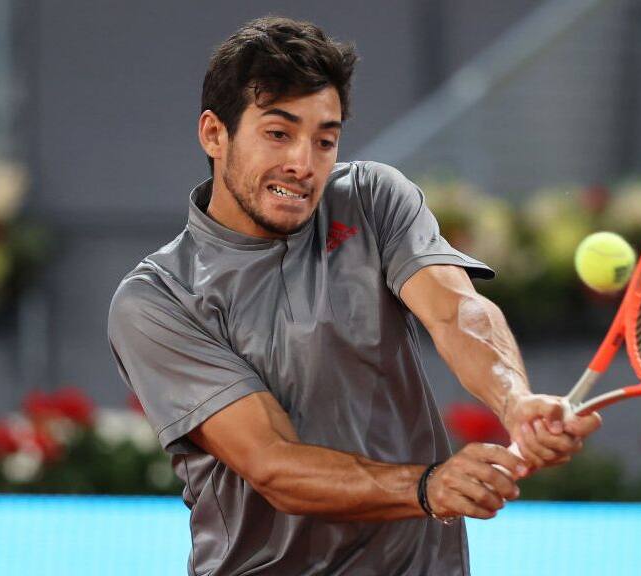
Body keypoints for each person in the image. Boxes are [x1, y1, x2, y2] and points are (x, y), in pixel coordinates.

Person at [108, 16, 601, 576]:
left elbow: (456, 312)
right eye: (278, 133)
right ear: (214, 134)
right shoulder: (156, 301)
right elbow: (274, 463)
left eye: (325, 139)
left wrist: (516, 402)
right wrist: (426, 486)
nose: (303, 163)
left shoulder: (371, 197)